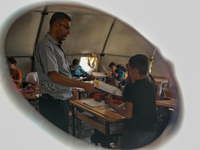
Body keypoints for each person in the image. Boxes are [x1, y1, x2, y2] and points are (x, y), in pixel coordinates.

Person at [34, 12, 99, 133]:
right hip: (53, 103)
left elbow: (62, 74)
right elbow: (54, 76)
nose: (69, 32)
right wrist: (83, 85)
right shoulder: (46, 46)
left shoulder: (57, 46)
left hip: (59, 101)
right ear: (56, 25)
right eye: (67, 28)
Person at [105, 54, 157, 149]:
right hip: (151, 130)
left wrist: (113, 105)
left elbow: (128, 114)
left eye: (129, 70)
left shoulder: (130, 88)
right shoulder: (153, 86)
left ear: (135, 71)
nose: (128, 72)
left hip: (135, 131)